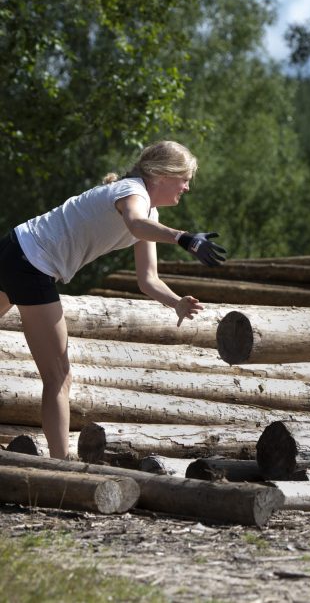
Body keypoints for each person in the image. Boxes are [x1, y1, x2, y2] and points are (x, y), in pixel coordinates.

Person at [0, 140, 226, 459]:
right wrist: (183, 237)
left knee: (56, 376)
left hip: (15, 249)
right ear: (162, 175)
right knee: (59, 376)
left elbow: (148, 279)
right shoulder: (133, 191)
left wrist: (176, 302)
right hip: (31, 264)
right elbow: (135, 223)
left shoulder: (149, 209)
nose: (187, 187)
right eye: (185, 178)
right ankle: (61, 468)